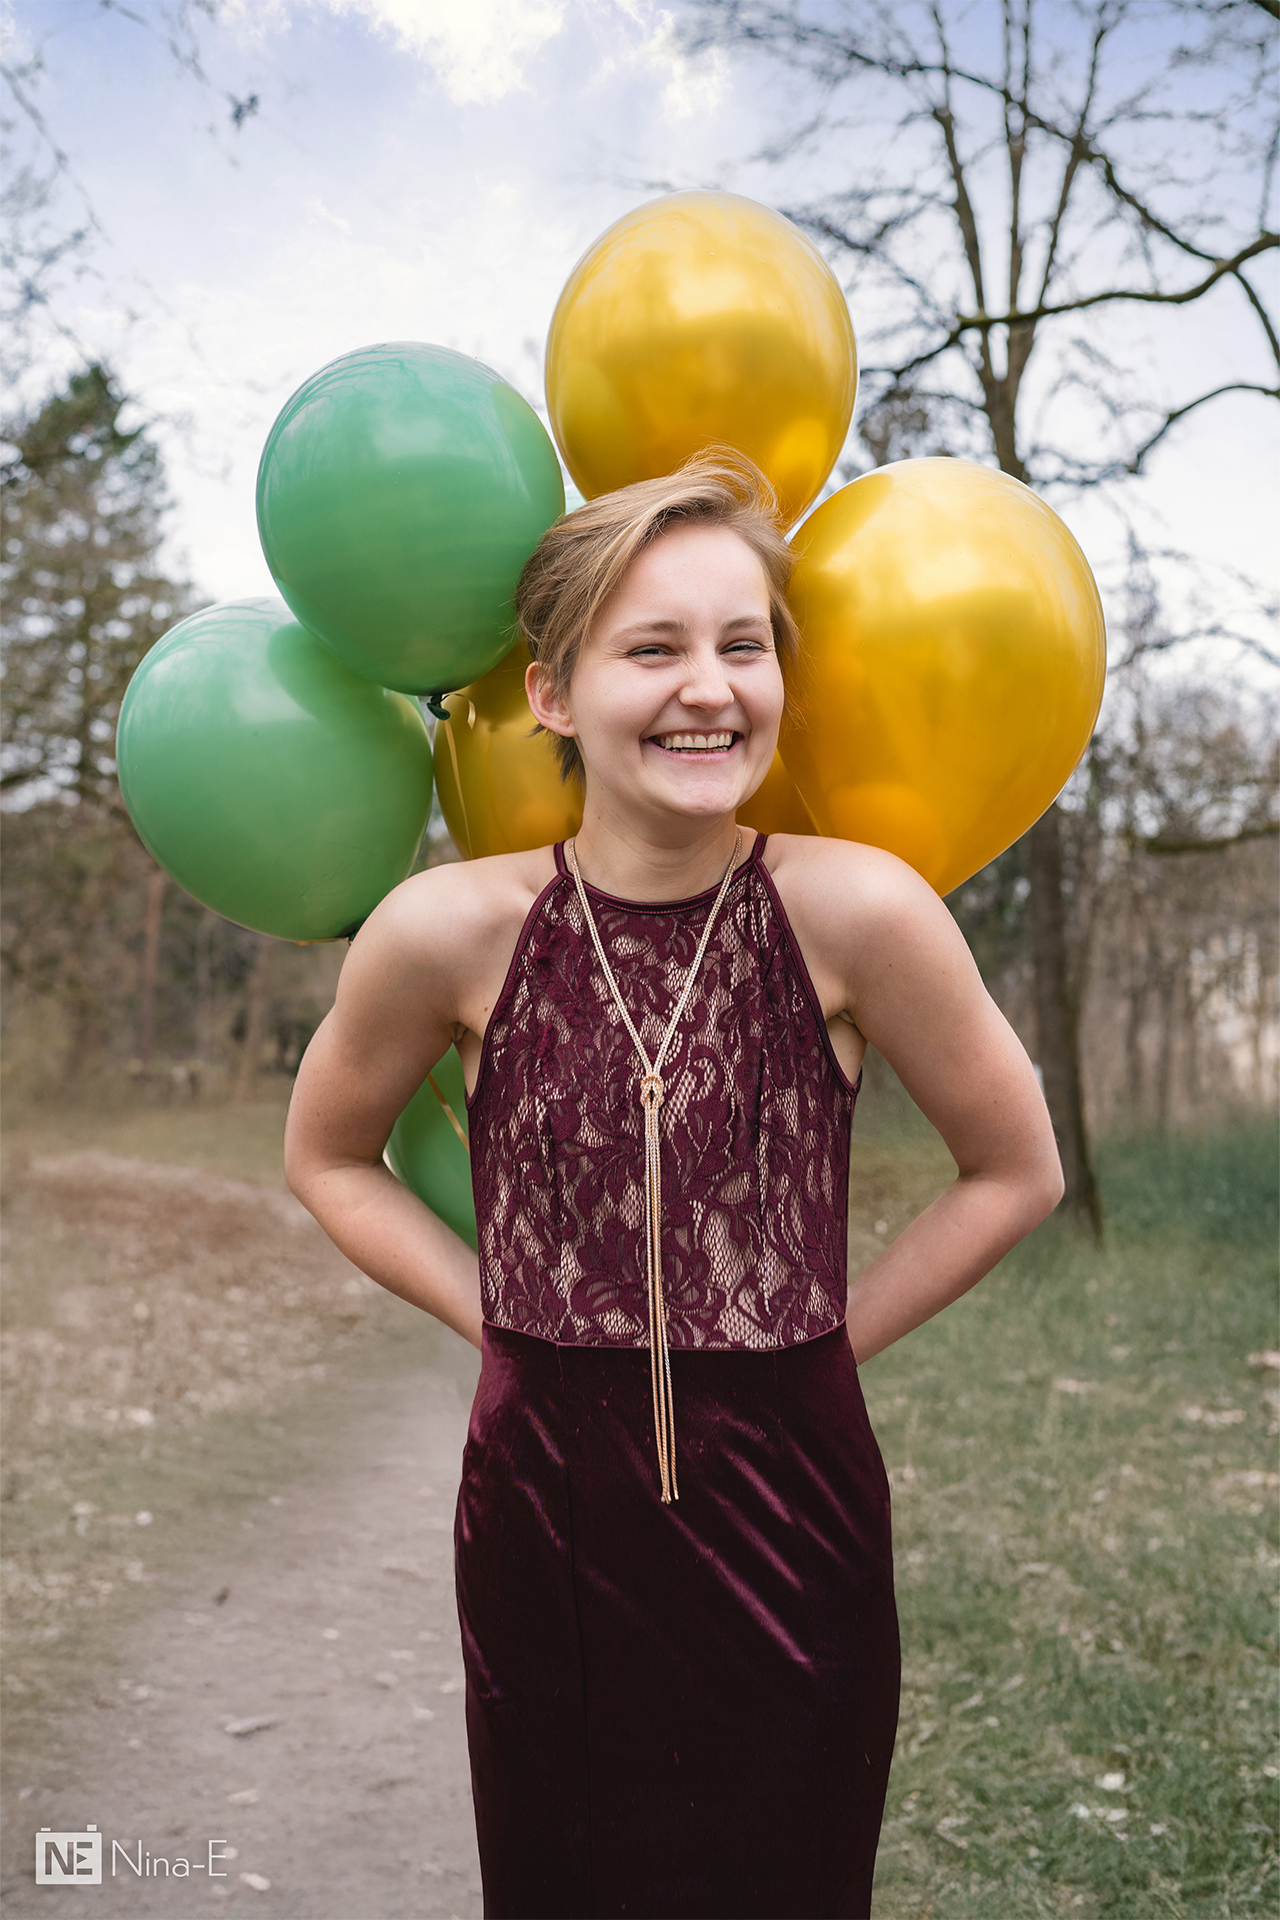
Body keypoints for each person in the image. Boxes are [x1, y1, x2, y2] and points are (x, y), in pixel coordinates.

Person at [284, 453, 1064, 1920]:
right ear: (557, 694)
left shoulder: (860, 911)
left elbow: (1016, 1171)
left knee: (786, 1876)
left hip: (793, 1510)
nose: (708, 686)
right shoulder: (447, 931)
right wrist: (498, 1321)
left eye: (742, 644)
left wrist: (817, 1346)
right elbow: (327, 1154)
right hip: (544, 1521)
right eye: (653, 647)